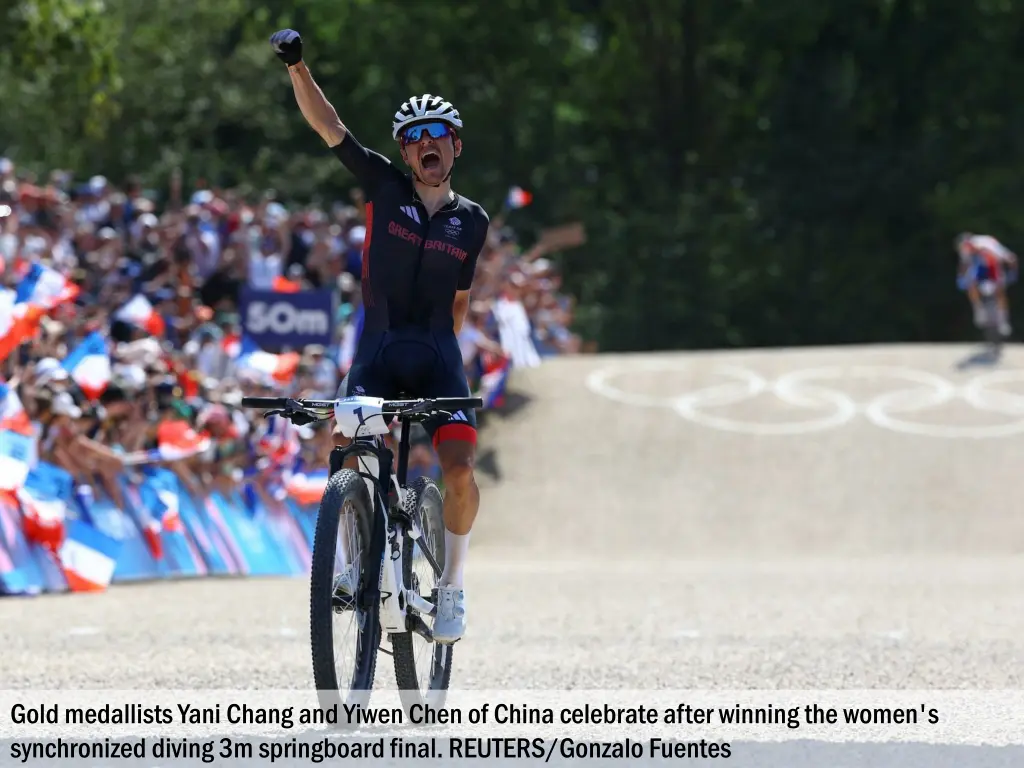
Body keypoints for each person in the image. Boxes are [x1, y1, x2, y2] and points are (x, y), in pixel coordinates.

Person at [270, 29, 490, 644]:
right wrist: (297, 67)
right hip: (380, 349)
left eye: (436, 137)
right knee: (345, 445)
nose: (425, 145)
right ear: (403, 149)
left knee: (459, 471)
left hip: (438, 356)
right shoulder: (384, 187)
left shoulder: (473, 221)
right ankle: (350, 561)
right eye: (414, 138)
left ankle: (452, 586)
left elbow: (461, 299)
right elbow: (328, 124)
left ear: (455, 149)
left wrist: (447, 365)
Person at [955, 232, 1019, 336]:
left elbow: (1011, 258)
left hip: (993, 267)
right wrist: (960, 277)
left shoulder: (988, 244)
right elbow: (963, 265)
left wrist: (1013, 272)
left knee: (1000, 291)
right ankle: (978, 309)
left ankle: (1003, 320)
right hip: (978, 269)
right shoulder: (965, 249)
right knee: (970, 284)